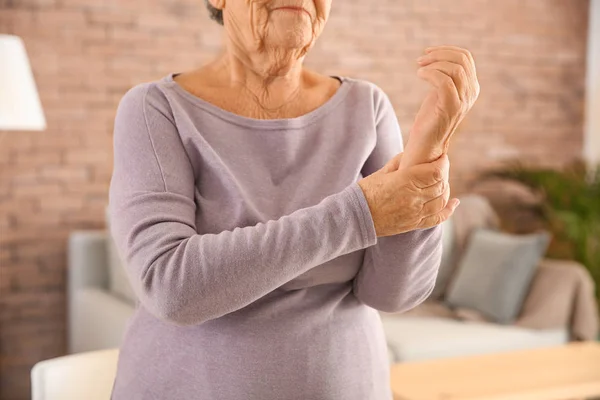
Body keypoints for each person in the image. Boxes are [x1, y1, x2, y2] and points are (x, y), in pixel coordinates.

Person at [107, 0, 480, 398]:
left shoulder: (366, 107)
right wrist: (359, 214)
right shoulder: (155, 108)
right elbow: (171, 287)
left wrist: (426, 153)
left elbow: (392, 294)